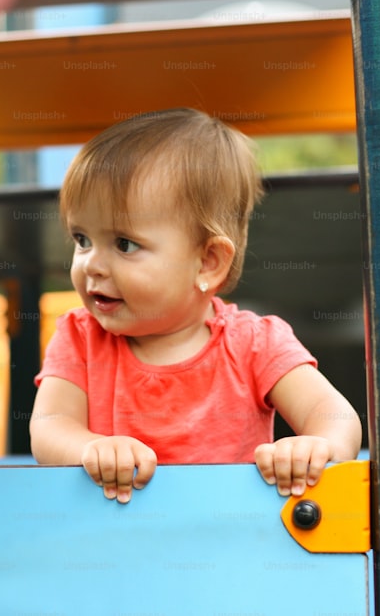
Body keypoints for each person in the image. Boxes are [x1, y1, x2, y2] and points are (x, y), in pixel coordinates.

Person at [30, 108, 362, 503]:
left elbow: (336, 415)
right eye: (82, 239)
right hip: (114, 545)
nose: (91, 265)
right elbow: (49, 427)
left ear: (208, 262)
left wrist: (316, 448)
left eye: (124, 244)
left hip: (228, 540)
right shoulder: (80, 338)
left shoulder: (254, 343)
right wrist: (88, 448)